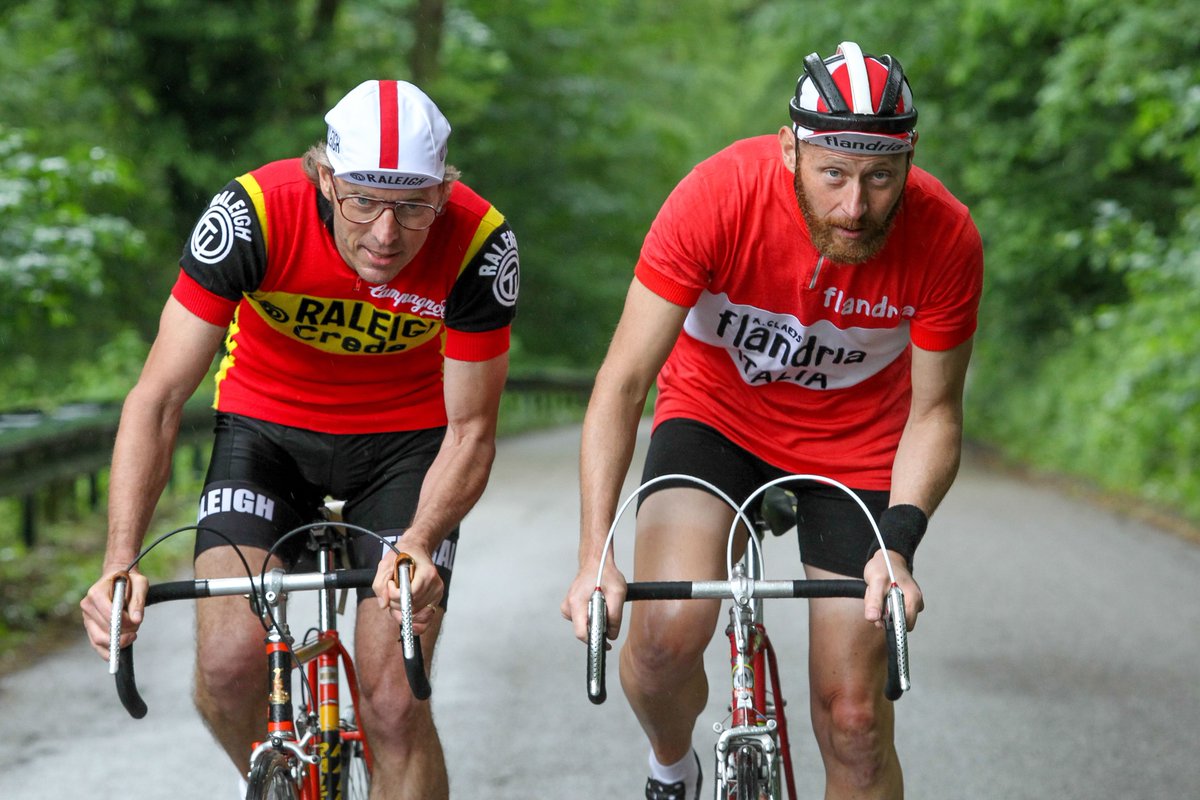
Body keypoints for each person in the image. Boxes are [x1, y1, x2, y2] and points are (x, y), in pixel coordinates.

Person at [562, 42, 982, 800]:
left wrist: (899, 544)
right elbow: (622, 384)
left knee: (855, 721)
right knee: (660, 645)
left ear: (909, 161)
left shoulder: (946, 237)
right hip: (715, 421)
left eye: (881, 178)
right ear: (791, 146)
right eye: (833, 175)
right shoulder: (717, 197)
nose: (856, 207)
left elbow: (936, 412)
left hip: (855, 451)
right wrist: (596, 552)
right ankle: (671, 768)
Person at [80, 79, 519, 800]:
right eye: (362, 201)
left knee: (393, 700)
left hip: (407, 445)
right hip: (266, 431)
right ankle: (288, 780)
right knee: (226, 668)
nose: (385, 234)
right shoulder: (252, 215)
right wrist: (120, 561)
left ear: (444, 193)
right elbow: (157, 400)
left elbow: (471, 431)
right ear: (324, 177)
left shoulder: (478, 243)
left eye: (413, 207)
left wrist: (420, 540)